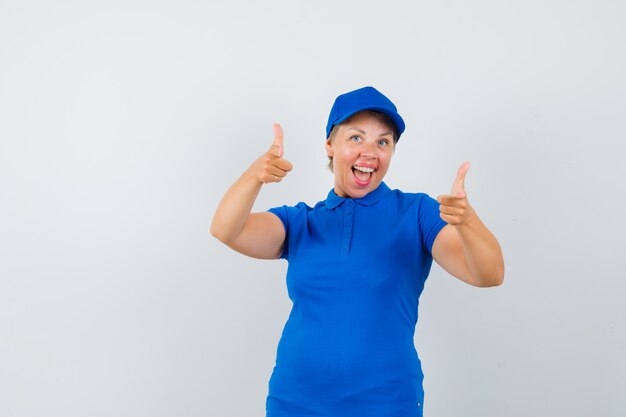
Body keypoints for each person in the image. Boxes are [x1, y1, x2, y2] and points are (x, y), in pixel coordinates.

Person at [210, 86, 504, 417]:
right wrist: (254, 177)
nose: (370, 152)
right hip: (295, 402)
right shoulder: (299, 222)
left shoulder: (417, 213)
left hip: (387, 403)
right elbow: (226, 229)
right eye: (356, 138)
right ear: (330, 146)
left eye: (383, 142)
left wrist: (468, 222)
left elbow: (489, 273)